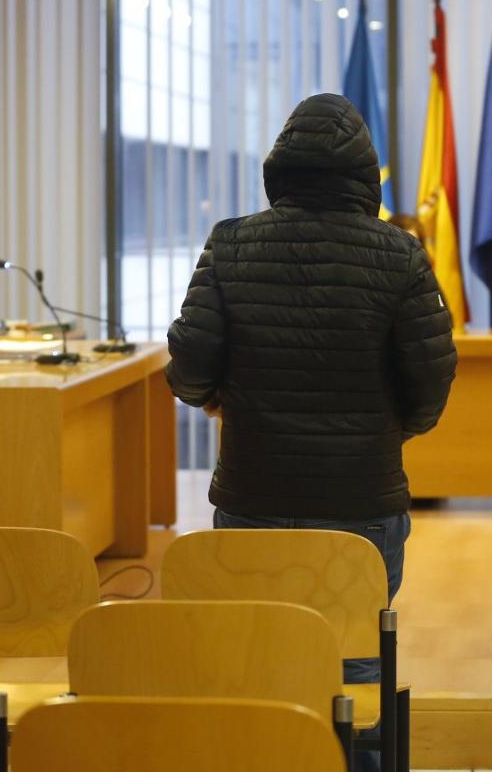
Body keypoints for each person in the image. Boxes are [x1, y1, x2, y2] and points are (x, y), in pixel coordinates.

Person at [165, 93, 456, 772]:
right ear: (367, 177)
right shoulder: (400, 255)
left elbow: (190, 364)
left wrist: (213, 400)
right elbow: (432, 378)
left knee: (259, 665)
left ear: (279, 169)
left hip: (252, 493)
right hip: (364, 499)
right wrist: (392, 430)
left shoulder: (230, 243)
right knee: (357, 672)